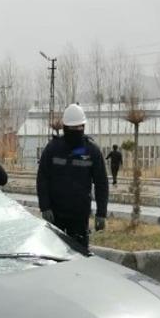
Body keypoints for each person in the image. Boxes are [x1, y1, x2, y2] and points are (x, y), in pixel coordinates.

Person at [36, 103, 108, 248]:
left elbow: (101, 183)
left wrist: (101, 213)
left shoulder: (91, 151)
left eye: (79, 127)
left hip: (79, 216)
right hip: (55, 215)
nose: (76, 130)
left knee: (79, 257)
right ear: (64, 127)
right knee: (54, 255)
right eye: (72, 128)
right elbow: (42, 178)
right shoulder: (53, 149)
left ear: (84, 126)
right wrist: (45, 207)